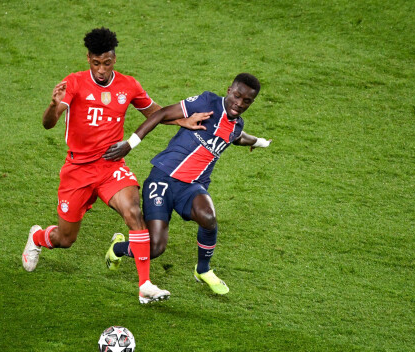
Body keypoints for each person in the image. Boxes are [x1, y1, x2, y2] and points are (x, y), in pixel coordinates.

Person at [22, 27, 209, 304]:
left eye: (106, 63)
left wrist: (182, 120)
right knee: (65, 239)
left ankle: (144, 284)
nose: (101, 69)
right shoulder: (73, 83)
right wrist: (52, 105)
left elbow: (153, 112)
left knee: (134, 212)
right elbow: (49, 123)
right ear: (88, 59)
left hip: (111, 167)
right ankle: (38, 237)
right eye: (96, 63)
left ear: (114, 59)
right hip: (77, 170)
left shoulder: (128, 85)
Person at [103, 73, 272, 295]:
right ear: (229, 90)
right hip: (162, 178)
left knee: (208, 217)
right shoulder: (207, 102)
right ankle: (117, 248)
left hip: (191, 187)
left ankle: (203, 269)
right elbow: (163, 113)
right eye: (237, 96)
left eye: (247, 101)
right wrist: (130, 144)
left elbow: (238, 137)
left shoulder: (236, 126)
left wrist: (260, 142)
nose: (239, 104)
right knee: (154, 248)